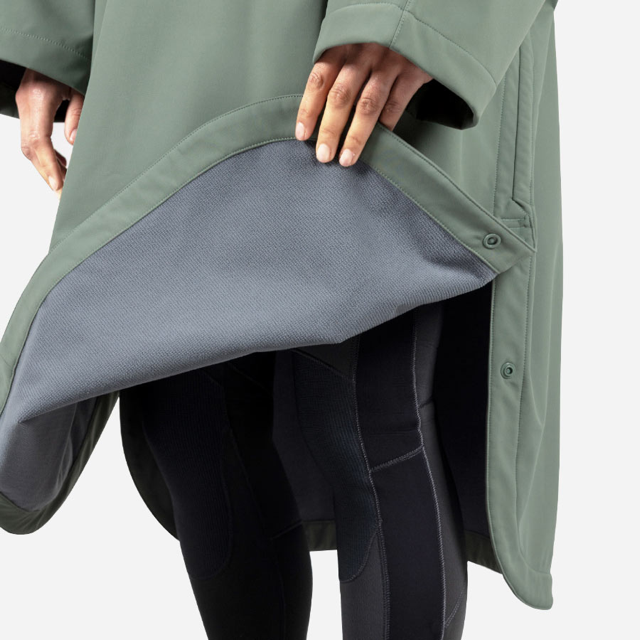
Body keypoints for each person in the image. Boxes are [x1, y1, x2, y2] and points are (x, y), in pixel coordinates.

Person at [0, 1, 563, 638]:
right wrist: (52, 30)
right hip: (161, 28)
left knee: (367, 407)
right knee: (185, 409)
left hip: (366, 39)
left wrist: (416, 15)